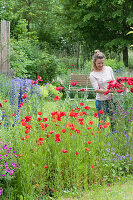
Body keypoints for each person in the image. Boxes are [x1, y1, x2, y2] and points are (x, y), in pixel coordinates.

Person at [89, 50, 115, 131]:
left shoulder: (109, 69)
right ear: (95, 63)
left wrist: (118, 86)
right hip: (101, 100)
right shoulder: (93, 74)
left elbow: (114, 81)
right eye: (99, 63)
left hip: (112, 99)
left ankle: (114, 138)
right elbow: (97, 89)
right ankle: (100, 138)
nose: (101, 65)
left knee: (113, 120)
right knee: (102, 121)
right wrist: (108, 91)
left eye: (102, 63)